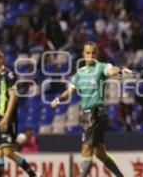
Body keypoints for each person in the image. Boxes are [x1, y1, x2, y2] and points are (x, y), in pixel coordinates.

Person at [51, 41, 129, 177]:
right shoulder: (80, 73)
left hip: (95, 113)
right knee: (100, 153)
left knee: (86, 149)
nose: (91, 55)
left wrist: (120, 70)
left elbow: (111, 70)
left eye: (93, 52)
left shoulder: (101, 67)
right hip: (86, 114)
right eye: (88, 52)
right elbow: (70, 91)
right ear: (83, 54)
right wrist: (58, 99)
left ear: (97, 54)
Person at [0, 48, 39, 177]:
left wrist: (6, 117)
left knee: (8, 152)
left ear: (0, 59)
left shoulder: (8, 74)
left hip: (8, 117)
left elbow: (13, 96)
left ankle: (32, 174)